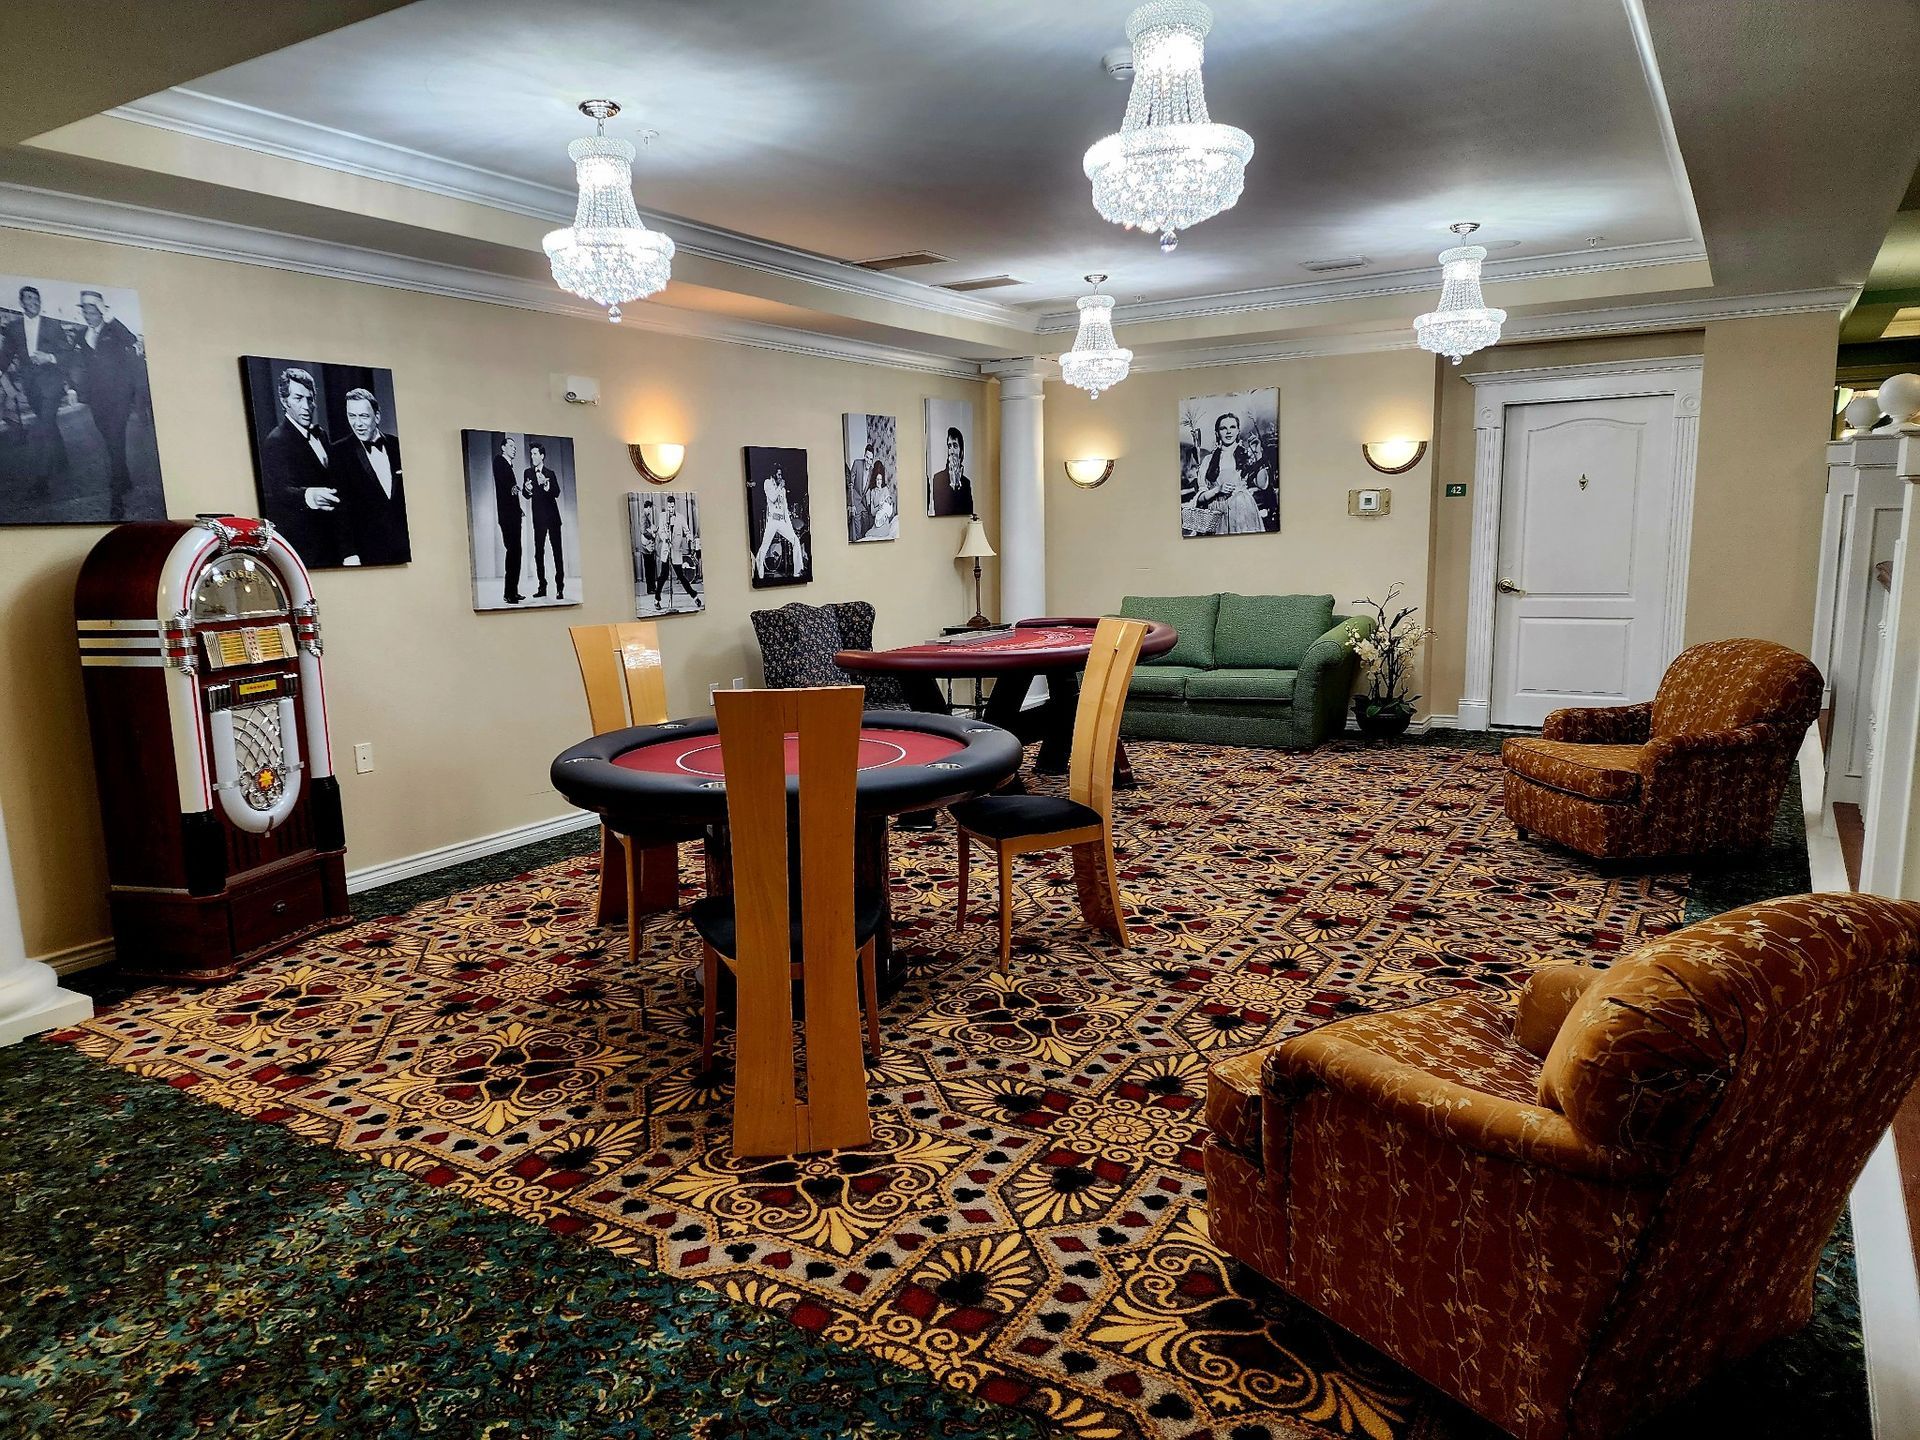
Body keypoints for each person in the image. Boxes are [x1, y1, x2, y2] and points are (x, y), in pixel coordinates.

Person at [70, 291, 145, 516]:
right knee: (111, 440)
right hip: (96, 398)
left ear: (101, 311)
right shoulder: (81, 335)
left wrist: (109, 317)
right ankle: (125, 478)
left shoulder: (113, 330)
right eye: (85, 310)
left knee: (114, 439)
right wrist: (73, 387)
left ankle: (117, 495)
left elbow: (131, 340)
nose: (89, 315)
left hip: (119, 396)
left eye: (93, 310)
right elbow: (76, 364)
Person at [261, 366, 342, 566]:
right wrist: (309, 495)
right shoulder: (276, 440)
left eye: (310, 398)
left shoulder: (321, 434)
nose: (306, 406)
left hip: (334, 541)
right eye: (298, 398)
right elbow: (280, 491)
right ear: (284, 401)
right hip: (307, 547)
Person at [0, 285, 73, 494]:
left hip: (51, 383)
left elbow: (66, 354)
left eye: (36, 298)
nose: (33, 301)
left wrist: (49, 357)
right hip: (31, 386)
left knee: (43, 428)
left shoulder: (53, 324)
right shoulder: (13, 328)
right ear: (21, 302)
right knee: (48, 425)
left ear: (40, 302)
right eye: (28, 298)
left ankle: (42, 480)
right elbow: (6, 355)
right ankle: (62, 459)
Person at [329, 387, 408, 566]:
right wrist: (349, 553)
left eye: (363, 416)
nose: (358, 424)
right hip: (366, 552)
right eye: (352, 416)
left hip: (404, 549)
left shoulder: (397, 446)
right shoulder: (339, 452)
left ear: (377, 417)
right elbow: (340, 509)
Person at [1193, 412, 1266, 535]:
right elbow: (1199, 498)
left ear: (1238, 431)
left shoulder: (1247, 454)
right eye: (1223, 428)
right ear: (1217, 433)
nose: (1228, 432)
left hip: (1243, 512)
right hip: (1218, 514)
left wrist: (1258, 455)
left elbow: (1262, 485)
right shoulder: (1208, 460)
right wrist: (1217, 490)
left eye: (1232, 427)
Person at [525, 441, 565, 599]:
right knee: (538, 554)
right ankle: (542, 586)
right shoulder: (527, 473)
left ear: (542, 456)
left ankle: (560, 588)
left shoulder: (551, 473)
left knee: (557, 553)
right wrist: (527, 490)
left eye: (535, 453)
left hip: (553, 518)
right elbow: (526, 495)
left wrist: (547, 485)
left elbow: (557, 492)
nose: (532, 456)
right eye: (531, 454)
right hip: (538, 519)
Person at [753, 465, 807, 580]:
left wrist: (789, 525)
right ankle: (759, 573)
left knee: (796, 541)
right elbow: (772, 498)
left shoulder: (782, 489)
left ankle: (797, 572)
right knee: (764, 546)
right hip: (772, 520)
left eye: (781, 474)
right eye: (778, 474)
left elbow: (785, 507)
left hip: (782, 520)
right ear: (773, 475)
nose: (780, 477)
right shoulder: (767, 483)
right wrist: (779, 487)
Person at [492, 433, 525, 604]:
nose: (514, 449)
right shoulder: (500, 461)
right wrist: (512, 490)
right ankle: (509, 593)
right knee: (513, 552)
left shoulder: (508, 465)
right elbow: (504, 486)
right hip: (507, 516)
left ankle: (513, 591)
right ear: (503, 447)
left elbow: (510, 492)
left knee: (516, 553)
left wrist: (518, 508)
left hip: (512, 514)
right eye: (511, 446)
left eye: (515, 447)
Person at [930, 425, 973, 516]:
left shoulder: (966, 483)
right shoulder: (938, 479)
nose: (952, 451)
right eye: (949, 446)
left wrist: (958, 486)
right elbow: (940, 511)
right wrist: (953, 486)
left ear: (961, 451)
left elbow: (968, 514)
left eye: (955, 446)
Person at [636, 498, 661, 608]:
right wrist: (652, 535)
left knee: (651, 567)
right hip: (646, 546)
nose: (651, 511)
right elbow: (643, 531)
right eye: (650, 509)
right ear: (648, 508)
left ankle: (652, 587)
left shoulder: (646, 517)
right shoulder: (643, 516)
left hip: (647, 546)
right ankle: (650, 588)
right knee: (649, 567)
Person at [864, 459, 896, 540]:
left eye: (880, 479)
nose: (879, 482)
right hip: (876, 522)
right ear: (875, 479)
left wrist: (886, 509)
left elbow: (890, 511)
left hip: (884, 523)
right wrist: (879, 507)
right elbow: (872, 512)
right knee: (867, 534)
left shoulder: (885, 490)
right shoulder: (872, 492)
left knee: (871, 535)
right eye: (877, 479)